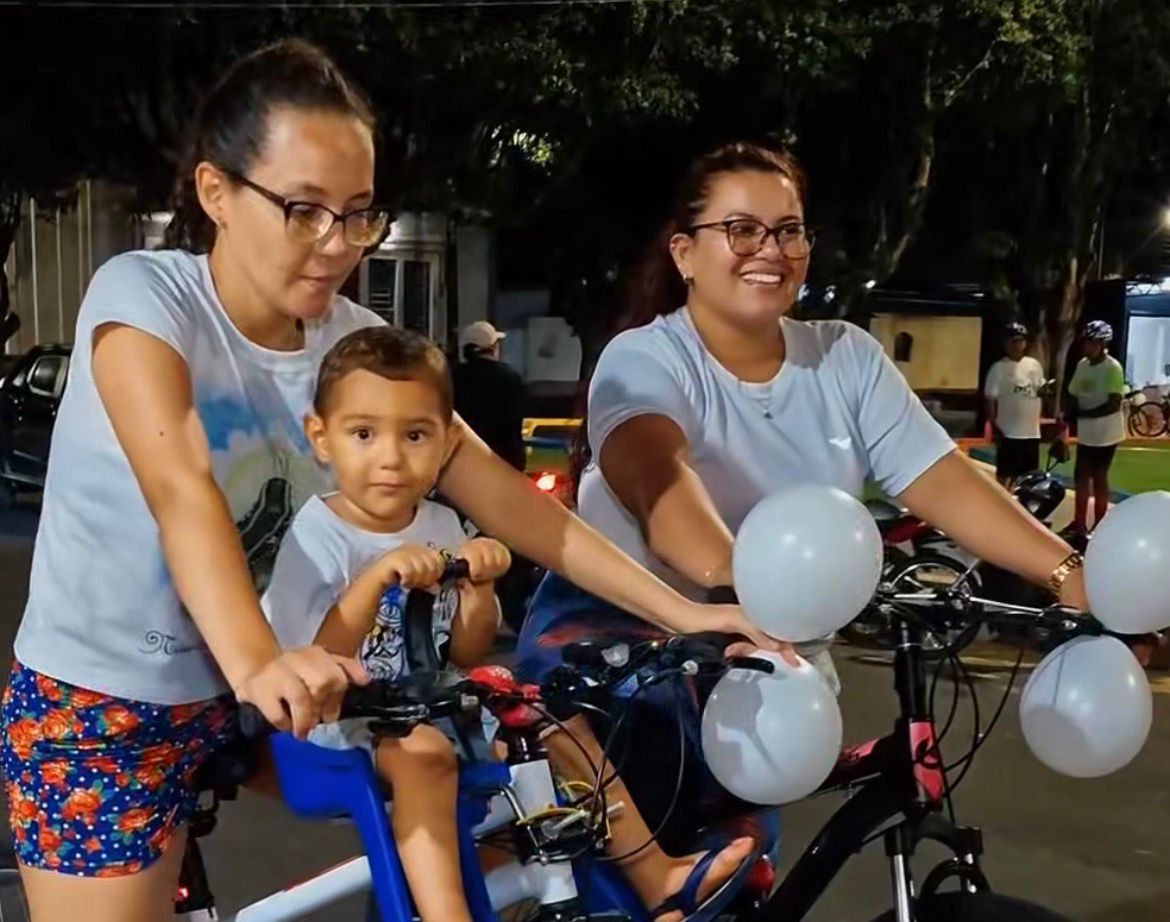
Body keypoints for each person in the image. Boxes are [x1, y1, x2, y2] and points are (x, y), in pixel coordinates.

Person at [0, 45, 775, 922]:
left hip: (271, 689)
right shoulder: (143, 298)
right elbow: (181, 485)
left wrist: (687, 612)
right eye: (304, 211)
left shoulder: (355, 347)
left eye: (359, 214)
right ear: (216, 192)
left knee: (490, 756)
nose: (336, 245)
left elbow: (516, 505)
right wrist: (259, 661)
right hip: (109, 709)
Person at [518, 141, 1091, 852]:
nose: (771, 250)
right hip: (624, 642)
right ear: (685, 253)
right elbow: (663, 497)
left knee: (738, 871)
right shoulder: (645, 359)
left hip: (768, 655)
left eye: (789, 230)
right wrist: (749, 585)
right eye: (742, 229)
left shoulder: (843, 356)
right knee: (638, 871)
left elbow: (940, 480)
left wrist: (1070, 576)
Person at [262, 326, 755, 922]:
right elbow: (315, 663)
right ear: (321, 438)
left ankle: (658, 876)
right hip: (337, 721)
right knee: (423, 756)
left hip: (429, 707)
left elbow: (466, 650)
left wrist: (480, 590)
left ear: (446, 442)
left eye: (415, 435)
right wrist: (376, 579)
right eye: (363, 435)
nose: (390, 458)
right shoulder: (320, 535)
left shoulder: (441, 525)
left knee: (548, 715)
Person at [1066, 320, 1126, 539]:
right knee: (1081, 476)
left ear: (1103, 344)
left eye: (1092, 343)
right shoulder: (1083, 365)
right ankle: (1080, 523)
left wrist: (1085, 414)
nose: (1088, 347)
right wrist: (1069, 413)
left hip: (1106, 432)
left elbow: (1114, 402)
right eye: (1087, 343)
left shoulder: (1112, 368)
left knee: (1099, 476)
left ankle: (1100, 524)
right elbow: (1074, 392)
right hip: (1087, 432)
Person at [452, 320, 526, 470]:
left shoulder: (453, 377)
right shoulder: (510, 377)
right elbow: (515, 422)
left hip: (462, 461)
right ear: (494, 348)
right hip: (503, 461)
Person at [984, 322, 1048, 487]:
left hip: (1031, 432)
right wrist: (994, 425)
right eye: (1011, 341)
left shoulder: (1033, 365)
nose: (1015, 345)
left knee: (1029, 477)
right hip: (1009, 432)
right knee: (1005, 475)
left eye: (1019, 341)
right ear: (1005, 344)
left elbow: (1040, 390)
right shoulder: (998, 369)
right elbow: (990, 399)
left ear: (1025, 343)